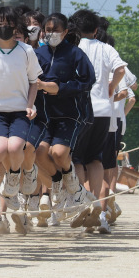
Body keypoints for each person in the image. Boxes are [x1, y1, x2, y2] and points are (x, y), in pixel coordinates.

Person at [0, 6, 42, 226]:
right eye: (0, 24)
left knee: (15, 149)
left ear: (16, 28)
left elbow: (34, 82)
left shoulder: (26, 51)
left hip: (20, 111)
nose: (4, 27)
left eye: (9, 24)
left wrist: (30, 105)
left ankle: (13, 178)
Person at [34, 12, 96, 227]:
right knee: (39, 152)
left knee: (58, 153)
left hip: (69, 114)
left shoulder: (75, 54)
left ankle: (75, 186)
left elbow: (88, 80)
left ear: (65, 32)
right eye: (48, 30)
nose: (51, 33)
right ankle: (59, 184)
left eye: (56, 30)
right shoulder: (36, 54)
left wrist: (61, 88)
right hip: (43, 115)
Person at [70, 9, 127, 230]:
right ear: (96, 30)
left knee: (77, 159)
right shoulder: (106, 48)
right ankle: (94, 200)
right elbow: (120, 69)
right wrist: (111, 87)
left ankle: (82, 201)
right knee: (96, 159)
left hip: (81, 109)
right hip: (104, 110)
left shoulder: (73, 49)